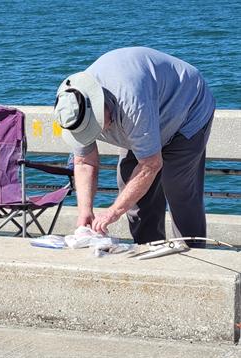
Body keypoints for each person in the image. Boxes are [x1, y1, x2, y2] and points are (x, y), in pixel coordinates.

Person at [54, 47, 215, 248]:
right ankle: (148, 252)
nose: (93, 133)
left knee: (178, 188)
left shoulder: (132, 103)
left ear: (99, 104)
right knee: (130, 186)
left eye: (94, 127)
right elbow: (84, 162)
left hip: (187, 108)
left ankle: (193, 259)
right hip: (147, 113)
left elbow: (150, 164)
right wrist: (85, 211)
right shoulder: (71, 108)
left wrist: (113, 211)